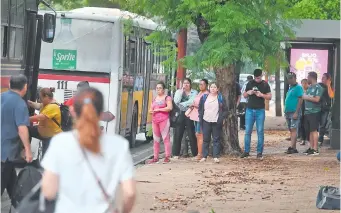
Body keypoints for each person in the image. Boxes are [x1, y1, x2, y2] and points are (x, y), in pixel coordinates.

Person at [41, 87, 136, 213]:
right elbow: (130, 193)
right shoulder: (119, 145)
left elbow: (48, 191)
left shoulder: (60, 142)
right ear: (101, 113)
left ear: (72, 111)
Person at [1, 75, 33, 198]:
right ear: (25, 87)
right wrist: (28, 150)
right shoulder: (20, 104)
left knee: (12, 183)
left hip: (5, 154)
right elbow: (22, 129)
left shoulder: (1, 97)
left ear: (9, 85)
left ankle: (19, 204)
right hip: (5, 153)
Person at [241, 69, 272, 159]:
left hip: (260, 110)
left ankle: (259, 152)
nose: (257, 79)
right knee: (247, 131)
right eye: (256, 78)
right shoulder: (249, 83)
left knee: (260, 131)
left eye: (259, 78)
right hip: (250, 110)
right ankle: (246, 151)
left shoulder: (265, 84)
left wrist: (262, 95)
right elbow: (244, 95)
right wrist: (248, 92)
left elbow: (269, 96)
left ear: (261, 76)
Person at [28, 88, 62, 156]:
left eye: (40, 98)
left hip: (51, 135)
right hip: (44, 132)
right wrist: (27, 102)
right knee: (26, 129)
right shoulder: (47, 103)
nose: (40, 100)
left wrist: (22, 119)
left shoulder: (52, 107)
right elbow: (37, 105)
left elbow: (38, 118)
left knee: (46, 157)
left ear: (46, 96)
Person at [198, 83, 227, 163]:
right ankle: (204, 156)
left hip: (216, 121)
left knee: (216, 139)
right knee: (206, 139)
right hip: (206, 120)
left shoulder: (220, 97)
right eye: (211, 87)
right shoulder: (204, 97)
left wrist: (221, 119)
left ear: (217, 89)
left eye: (215, 87)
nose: (213, 89)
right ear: (209, 88)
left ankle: (215, 156)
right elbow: (200, 108)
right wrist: (200, 117)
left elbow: (225, 109)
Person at [172, 78, 198, 159]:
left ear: (190, 84)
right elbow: (176, 101)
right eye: (184, 83)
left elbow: (192, 102)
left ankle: (195, 153)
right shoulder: (178, 92)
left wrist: (182, 104)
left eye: (187, 83)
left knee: (191, 134)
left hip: (190, 113)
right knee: (178, 134)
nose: (186, 85)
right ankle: (176, 154)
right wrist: (181, 92)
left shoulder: (194, 92)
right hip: (180, 114)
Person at [147, 82, 173, 164]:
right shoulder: (154, 99)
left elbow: (169, 107)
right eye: (157, 88)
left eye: (160, 88)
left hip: (164, 120)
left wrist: (159, 110)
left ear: (164, 89)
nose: (158, 89)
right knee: (156, 139)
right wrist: (152, 111)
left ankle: (167, 156)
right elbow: (150, 109)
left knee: (165, 138)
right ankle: (155, 157)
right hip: (155, 121)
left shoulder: (167, 98)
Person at [302, 71, 323, 155]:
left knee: (314, 130)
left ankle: (315, 149)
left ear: (312, 77)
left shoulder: (319, 87)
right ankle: (311, 148)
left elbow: (317, 99)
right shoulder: (309, 87)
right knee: (309, 130)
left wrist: (306, 97)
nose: (307, 79)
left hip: (314, 112)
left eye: (308, 77)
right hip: (307, 112)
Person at [187, 79, 209, 160]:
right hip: (195, 115)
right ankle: (199, 153)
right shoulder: (200, 93)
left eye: (202, 84)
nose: (201, 86)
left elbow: (204, 106)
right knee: (197, 134)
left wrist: (195, 106)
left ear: (206, 85)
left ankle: (200, 154)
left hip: (201, 116)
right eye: (200, 84)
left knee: (200, 134)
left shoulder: (206, 94)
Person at [284, 72, 303, 154]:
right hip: (288, 111)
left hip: (294, 112)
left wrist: (296, 112)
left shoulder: (298, 87)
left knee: (294, 129)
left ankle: (292, 147)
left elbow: (300, 99)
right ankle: (294, 148)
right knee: (291, 129)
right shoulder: (290, 87)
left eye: (291, 78)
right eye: (288, 78)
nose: (289, 80)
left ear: (295, 78)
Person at [318, 73, 334, 146]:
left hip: (326, 108)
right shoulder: (319, 85)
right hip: (318, 107)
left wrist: (328, 85)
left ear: (328, 79)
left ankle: (320, 140)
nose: (322, 79)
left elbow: (331, 95)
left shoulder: (331, 87)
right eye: (322, 77)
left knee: (323, 124)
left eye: (324, 78)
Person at [298, 79, 309, 145]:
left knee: (307, 125)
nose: (304, 85)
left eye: (305, 83)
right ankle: (302, 138)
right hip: (301, 110)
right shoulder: (300, 91)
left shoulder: (309, 91)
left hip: (308, 110)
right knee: (301, 125)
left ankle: (308, 139)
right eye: (303, 83)